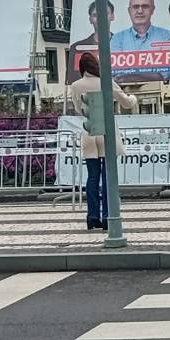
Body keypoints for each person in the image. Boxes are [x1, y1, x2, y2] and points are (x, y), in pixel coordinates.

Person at [67, 51, 138, 231]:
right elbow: (126, 103)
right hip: (106, 132)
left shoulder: (75, 86)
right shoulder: (106, 81)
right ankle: (108, 215)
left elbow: (77, 108)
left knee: (92, 176)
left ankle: (92, 216)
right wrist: (134, 98)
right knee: (108, 177)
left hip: (89, 130)